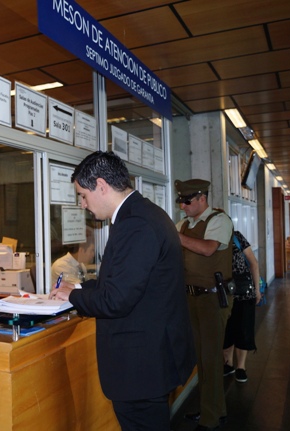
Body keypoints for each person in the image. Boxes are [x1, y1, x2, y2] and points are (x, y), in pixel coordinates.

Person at [49, 151, 196, 431]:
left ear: (101, 186)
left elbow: (116, 299)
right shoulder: (142, 214)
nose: (82, 204)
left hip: (141, 367)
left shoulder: (135, 225)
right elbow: (123, 282)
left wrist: (72, 297)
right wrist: (77, 286)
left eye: (83, 195)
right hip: (150, 361)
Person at [175, 179, 234, 431]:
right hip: (191, 297)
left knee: (210, 357)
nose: (183, 206)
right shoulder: (185, 225)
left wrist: (176, 237)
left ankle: (211, 418)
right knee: (201, 356)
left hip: (212, 297)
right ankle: (213, 408)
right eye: (181, 201)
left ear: (202, 198)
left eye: (187, 201)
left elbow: (208, 249)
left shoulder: (218, 221)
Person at [223, 230, 262, 383]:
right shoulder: (210, 239)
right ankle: (228, 364)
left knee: (243, 328)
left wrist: (257, 289)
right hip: (223, 294)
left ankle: (241, 367)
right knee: (227, 329)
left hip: (244, 292)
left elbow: (253, 262)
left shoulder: (236, 237)